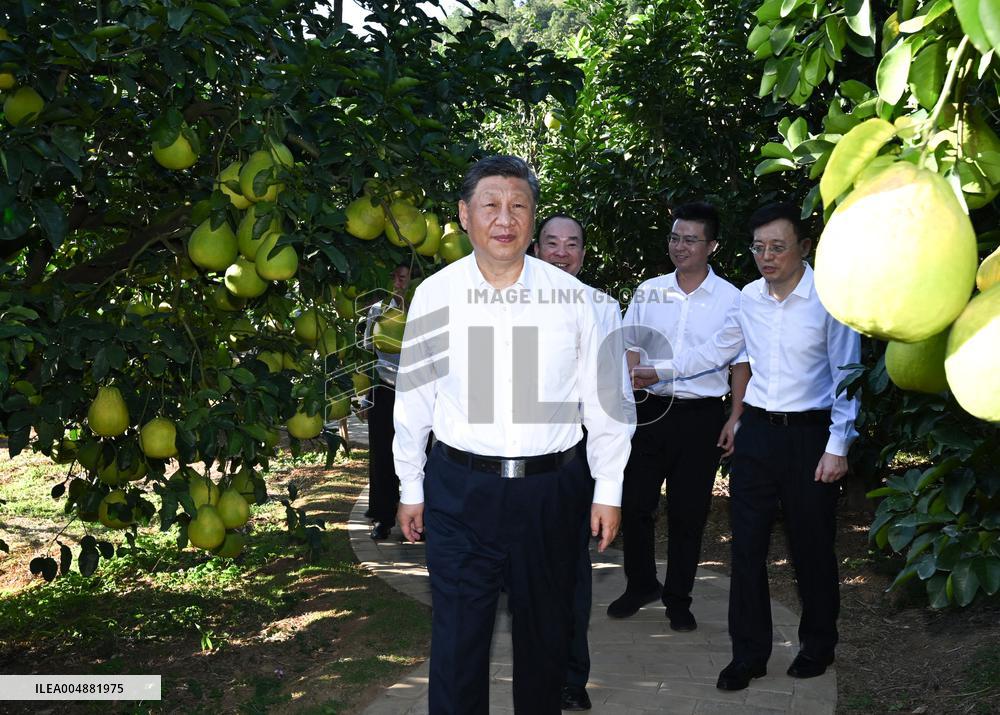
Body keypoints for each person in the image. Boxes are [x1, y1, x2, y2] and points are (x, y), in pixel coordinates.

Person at [393, 156, 633, 714]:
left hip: (550, 494)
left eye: (518, 205)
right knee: (457, 644)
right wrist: (410, 486)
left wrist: (609, 490)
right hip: (459, 492)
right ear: (464, 215)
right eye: (491, 205)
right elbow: (413, 400)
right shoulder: (436, 295)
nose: (505, 218)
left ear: (533, 216)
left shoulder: (579, 302)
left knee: (546, 644)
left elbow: (607, 405)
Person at [631, 202, 860, 691]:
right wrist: (660, 371)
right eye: (759, 247)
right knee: (747, 550)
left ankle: (818, 645)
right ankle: (749, 655)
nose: (767, 257)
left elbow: (847, 376)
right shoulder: (749, 299)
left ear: (804, 247)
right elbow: (715, 349)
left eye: (778, 247)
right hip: (756, 434)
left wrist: (838, 445)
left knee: (811, 547)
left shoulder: (831, 299)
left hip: (810, 436)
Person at [608, 202, 751, 635]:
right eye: (674, 237)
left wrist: (736, 417)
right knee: (635, 505)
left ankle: (679, 599)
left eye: (690, 239)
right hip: (650, 411)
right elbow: (630, 345)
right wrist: (629, 389)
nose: (679, 246)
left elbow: (740, 364)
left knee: (689, 514)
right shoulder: (649, 289)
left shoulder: (733, 299)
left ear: (712, 246)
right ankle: (641, 584)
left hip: (701, 417)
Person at [533, 213, 635, 711]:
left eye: (572, 244)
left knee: (571, 576)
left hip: (573, 464)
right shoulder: (506, 297)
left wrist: (605, 486)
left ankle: (573, 677)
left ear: (583, 254)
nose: (561, 252)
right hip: (509, 466)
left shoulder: (601, 307)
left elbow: (614, 397)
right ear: (535, 247)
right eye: (551, 242)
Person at [362, 262, 411, 540]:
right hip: (384, 389)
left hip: (418, 391)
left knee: (420, 454)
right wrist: (365, 397)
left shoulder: (422, 306)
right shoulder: (378, 310)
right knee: (383, 455)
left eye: (402, 277)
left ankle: (419, 518)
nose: (397, 282)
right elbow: (368, 353)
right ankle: (384, 517)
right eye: (393, 276)